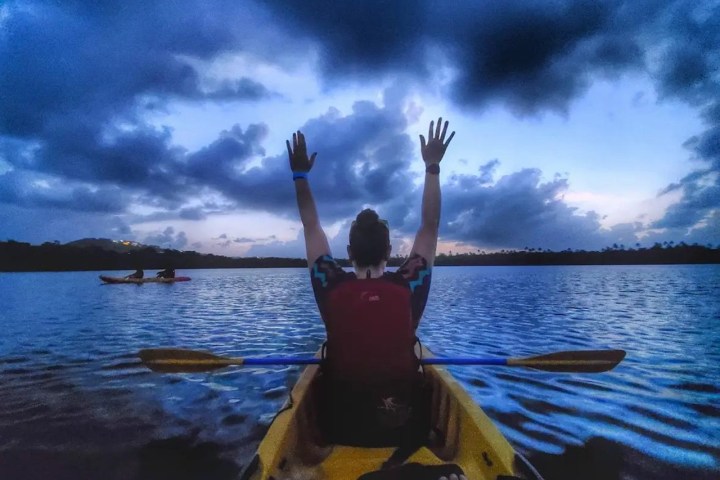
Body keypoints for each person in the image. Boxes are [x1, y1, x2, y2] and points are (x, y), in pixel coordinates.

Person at [287, 118, 455, 449]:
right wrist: (432, 166)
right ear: (390, 252)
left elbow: (310, 226)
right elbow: (430, 227)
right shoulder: (410, 283)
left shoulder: (329, 283)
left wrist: (300, 175)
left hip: (339, 427)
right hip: (405, 428)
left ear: (348, 252)